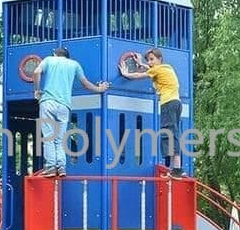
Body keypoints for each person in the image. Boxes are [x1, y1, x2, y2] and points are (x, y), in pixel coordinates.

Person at [33, 46, 110, 177]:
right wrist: (100, 89)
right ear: (67, 56)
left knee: (49, 136)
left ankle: (51, 167)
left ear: (55, 54)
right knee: (60, 138)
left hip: (48, 102)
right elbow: (85, 83)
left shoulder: (49, 60)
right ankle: (61, 167)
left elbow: (36, 72)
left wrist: (37, 90)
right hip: (64, 105)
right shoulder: (74, 64)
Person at [117, 48, 185, 178]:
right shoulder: (167, 68)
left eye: (152, 59)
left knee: (169, 133)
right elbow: (150, 69)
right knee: (173, 133)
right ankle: (176, 168)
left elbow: (139, 75)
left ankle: (177, 169)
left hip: (168, 103)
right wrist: (141, 63)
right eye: (148, 60)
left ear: (160, 59)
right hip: (176, 103)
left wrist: (126, 74)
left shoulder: (157, 70)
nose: (150, 62)